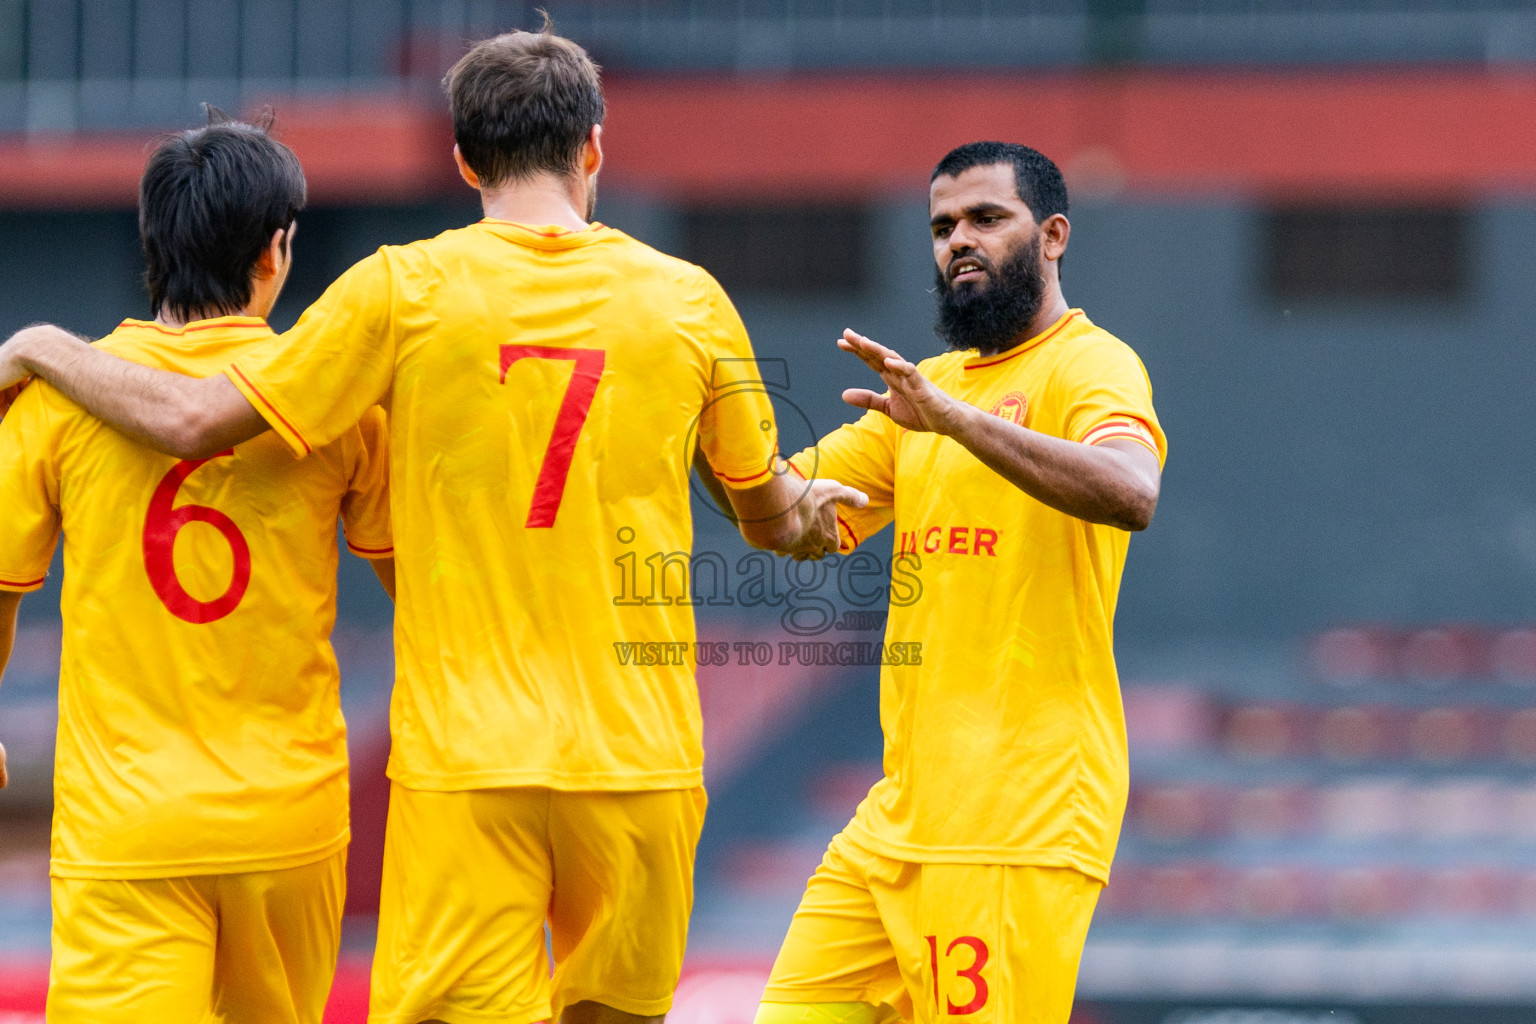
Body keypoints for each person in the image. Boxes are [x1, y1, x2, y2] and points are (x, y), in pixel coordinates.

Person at [0, 23, 861, 1024]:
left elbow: (195, 420)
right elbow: (774, 516)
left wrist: (41, 345)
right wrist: (837, 503)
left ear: (460, 159)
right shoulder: (691, 301)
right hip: (636, 757)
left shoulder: (398, 294)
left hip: (463, 765)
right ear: (593, 147)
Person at [756, 142, 1167, 1024]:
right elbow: (793, 516)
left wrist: (956, 422)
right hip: (897, 824)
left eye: (987, 218)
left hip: (1017, 820)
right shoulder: (924, 392)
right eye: (943, 227)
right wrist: (714, 444)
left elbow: (1131, 491)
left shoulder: (1091, 366)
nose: (959, 242)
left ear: (1052, 235)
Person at [0, 115, 394, 1024]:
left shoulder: (56, 401)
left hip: (127, 828)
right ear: (276, 250)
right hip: (289, 824)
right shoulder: (332, 397)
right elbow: (414, 581)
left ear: (152, 243)